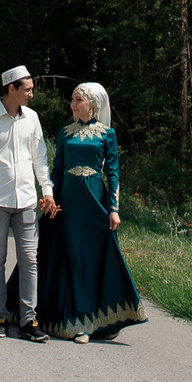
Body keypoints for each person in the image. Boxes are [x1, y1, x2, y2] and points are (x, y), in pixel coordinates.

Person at [38, 81, 146, 342]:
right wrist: (50, 196)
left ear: (93, 104)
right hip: (68, 203)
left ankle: (95, 320)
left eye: (79, 100)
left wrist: (114, 209)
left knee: (92, 258)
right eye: (72, 100)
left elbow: (113, 174)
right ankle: (78, 321)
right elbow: (57, 170)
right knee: (72, 257)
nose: (73, 104)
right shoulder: (65, 133)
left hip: (95, 202)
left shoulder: (107, 134)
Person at [0, 65, 55, 340]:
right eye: (27, 90)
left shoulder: (32, 119)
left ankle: (29, 320)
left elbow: (40, 158)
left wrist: (47, 191)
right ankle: (1, 316)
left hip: (27, 200)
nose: (31, 94)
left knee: (30, 260)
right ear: (11, 89)